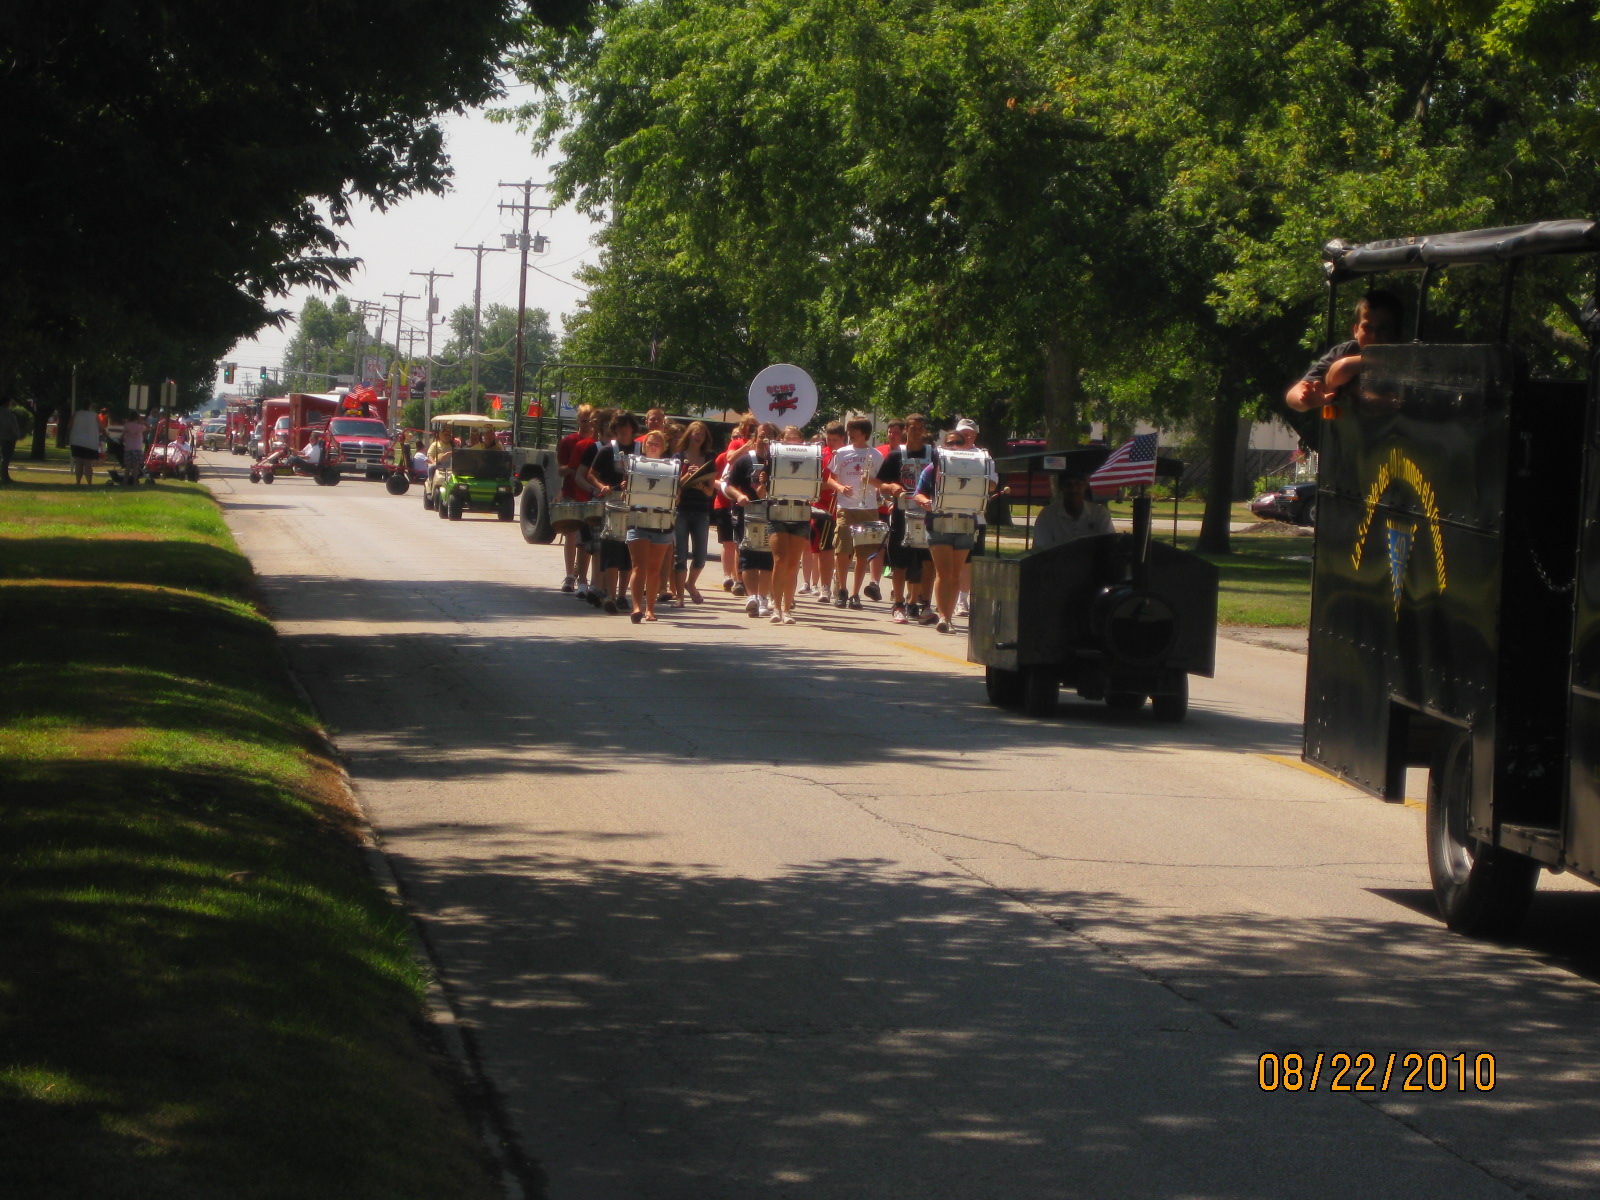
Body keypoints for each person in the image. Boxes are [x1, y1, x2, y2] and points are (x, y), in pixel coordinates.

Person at [1286, 290, 1404, 412]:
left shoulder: (1405, 359)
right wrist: (1305, 400)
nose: (1375, 335)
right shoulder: (1345, 351)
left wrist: (1348, 366)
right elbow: (1292, 395)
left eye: (1384, 328)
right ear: (1356, 331)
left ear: (1397, 333)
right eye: (1368, 328)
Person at [914, 432, 979, 633]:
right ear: (944, 445)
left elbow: (989, 486)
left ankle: (948, 617)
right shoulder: (933, 468)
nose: (954, 446)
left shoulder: (976, 467)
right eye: (950, 443)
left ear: (965, 446)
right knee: (944, 572)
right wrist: (925, 501)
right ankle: (943, 617)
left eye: (958, 443)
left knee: (956, 574)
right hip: (939, 523)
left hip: (965, 523)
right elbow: (918, 493)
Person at [875, 413, 937, 625]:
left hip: (927, 513)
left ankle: (925, 604)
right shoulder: (895, 456)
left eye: (920, 428)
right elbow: (880, 483)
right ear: (906, 430)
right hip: (902, 513)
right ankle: (899, 604)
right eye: (912, 428)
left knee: (928, 561)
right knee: (899, 562)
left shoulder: (933, 455)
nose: (916, 432)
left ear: (924, 430)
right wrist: (891, 487)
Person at [826, 417, 885, 609]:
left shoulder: (876, 455)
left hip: (868, 508)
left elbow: (882, 482)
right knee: (842, 550)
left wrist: (872, 482)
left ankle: (855, 594)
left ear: (864, 433)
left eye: (854, 430)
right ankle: (842, 590)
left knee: (862, 554)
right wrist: (840, 487)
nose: (850, 433)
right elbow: (830, 479)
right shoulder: (842, 453)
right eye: (849, 430)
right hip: (846, 507)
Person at [722, 422, 780, 618]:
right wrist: (739, 495)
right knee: (748, 557)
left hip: (771, 513)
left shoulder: (778, 462)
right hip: (747, 513)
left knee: (767, 558)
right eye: (761, 436)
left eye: (769, 437)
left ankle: (763, 598)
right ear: (755, 438)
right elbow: (729, 485)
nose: (765, 440)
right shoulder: (744, 461)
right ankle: (752, 596)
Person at [585, 410, 640, 614]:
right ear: (615, 428)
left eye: (627, 425)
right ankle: (609, 593)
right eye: (619, 426)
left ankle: (622, 595)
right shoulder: (607, 450)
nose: (623, 430)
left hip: (634, 504)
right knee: (611, 550)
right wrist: (602, 486)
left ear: (633, 428)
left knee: (628, 552)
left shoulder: (641, 450)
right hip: (612, 504)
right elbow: (591, 475)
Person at [624, 429, 675, 623]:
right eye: (650, 443)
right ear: (644, 446)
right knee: (638, 566)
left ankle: (650, 609)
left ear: (663, 447)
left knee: (654, 569)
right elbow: (627, 495)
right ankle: (636, 607)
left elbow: (675, 497)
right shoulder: (636, 465)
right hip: (638, 518)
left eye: (657, 444)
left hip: (662, 521)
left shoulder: (670, 467)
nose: (653, 447)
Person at [951, 417, 999, 617]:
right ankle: (946, 598)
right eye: (963, 433)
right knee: (947, 559)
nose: (966, 436)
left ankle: (962, 600)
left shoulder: (984, 457)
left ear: (976, 435)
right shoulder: (946, 454)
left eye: (970, 433)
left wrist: (976, 479)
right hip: (948, 514)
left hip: (975, 516)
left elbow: (993, 484)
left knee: (968, 561)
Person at [672, 420, 717, 606]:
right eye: (695, 433)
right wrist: (686, 475)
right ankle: (679, 597)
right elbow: (673, 485)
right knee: (680, 555)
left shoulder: (709, 458)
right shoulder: (678, 457)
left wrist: (701, 486)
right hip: (681, 509)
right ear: (688, 435)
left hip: (701, 510)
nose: (698, 436)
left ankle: (690, 584)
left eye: (702, 434)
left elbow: (710, 491)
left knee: (700, 556)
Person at [557, 405, 598, 596]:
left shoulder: (598, 443)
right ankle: (570, 576)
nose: (587, 424)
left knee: (588, 538)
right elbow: (560, 470)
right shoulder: (569, 442)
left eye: (591, 421)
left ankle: (585, 577)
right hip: (572, 492)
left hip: (591, 495)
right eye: (584, 420)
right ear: (578, 421)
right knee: (571, 534)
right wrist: (576, 467)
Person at [1032, 469, 1113, 551]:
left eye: (1078, 484)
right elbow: (1041, 550)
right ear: (1061, 487)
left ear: (1085, 485)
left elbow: (1110, 546)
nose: (1073, 489)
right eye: (1068, 484)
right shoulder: (1047, 515)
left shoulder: (1099, 513)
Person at [0, 397, 21, 485]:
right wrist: (15, 434)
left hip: (7, 436)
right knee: (6, 457)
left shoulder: (7, 412)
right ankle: (4, 476)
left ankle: (4, 475)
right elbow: (8, 425)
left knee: (6, 457)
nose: (12, 404)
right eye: (11, 402)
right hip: (8, 437)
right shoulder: (5, 412)